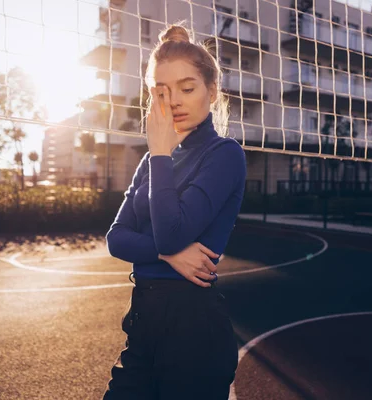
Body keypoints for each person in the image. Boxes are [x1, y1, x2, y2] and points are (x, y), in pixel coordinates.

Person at [101, 23, 246, 400]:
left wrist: (161, 153)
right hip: (144, 325)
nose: (174, 101)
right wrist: (168, 254)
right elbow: (116, 238)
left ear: (211, 92)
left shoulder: (225, 155)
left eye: (187, 88)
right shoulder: (153, 159)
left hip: (194, 332)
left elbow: (172, 231)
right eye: (161, 92)